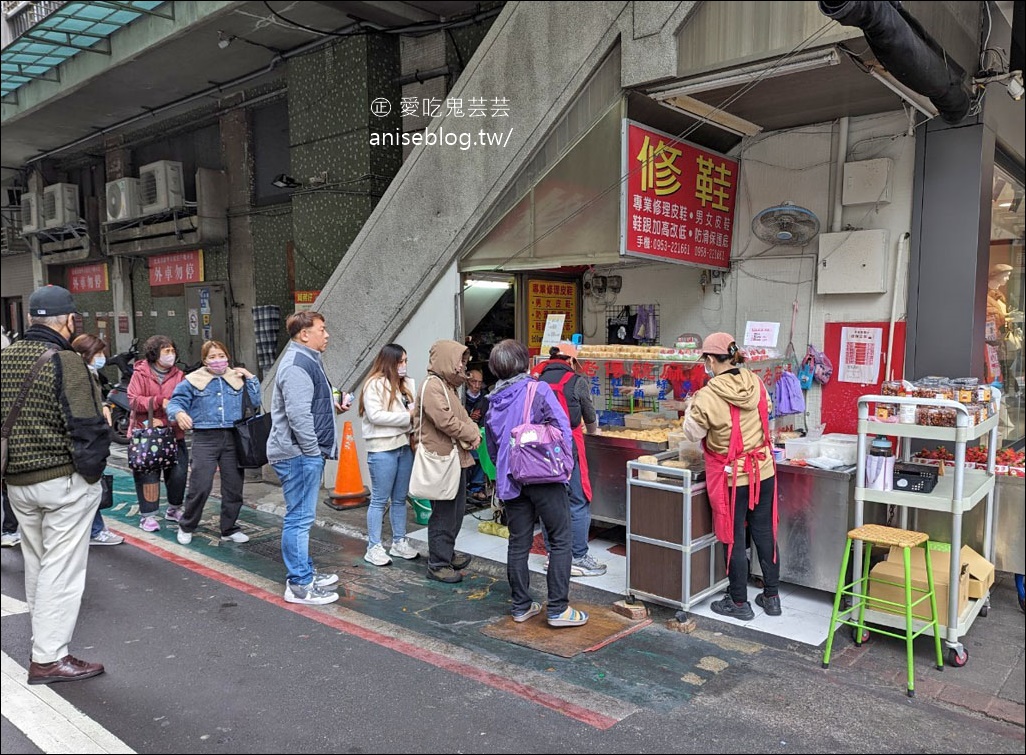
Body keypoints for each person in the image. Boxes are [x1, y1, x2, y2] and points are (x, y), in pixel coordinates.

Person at [0, 285, 110, 684]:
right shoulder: (66, 362)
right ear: (68, 321)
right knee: (61, 569)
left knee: (38, 563)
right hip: (62, 482)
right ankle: (48, 657)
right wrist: (91, 475)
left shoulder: (5, 357)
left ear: (31, 319)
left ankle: (43, 643)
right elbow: (87, 426)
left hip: (17, 483)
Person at [484, 339, 588, 627]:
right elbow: (562, 429)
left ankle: (521, 605)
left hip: (512, 480)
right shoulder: (537, 388)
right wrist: (565, 468)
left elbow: (492, 448)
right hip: (544, 476)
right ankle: (558, 609)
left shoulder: (493, 402)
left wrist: (505, 469)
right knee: (560, 539)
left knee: (518, 543)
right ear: (524, 363)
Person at [682, 332, 779, 621]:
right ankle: (771, 596)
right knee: (764, 532)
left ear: (711, 359)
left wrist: (690, 408)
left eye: (706, 360)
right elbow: (768, 410)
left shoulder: (708, 395)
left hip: (731, 477)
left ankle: (738, 602)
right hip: (763, 470)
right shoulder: (756, 382)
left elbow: (692, 433)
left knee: (734, 537)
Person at [267, 311, 350, 605]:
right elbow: (298, 414)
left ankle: (304, 572)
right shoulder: (297, 364)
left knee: (301, 518)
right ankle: (300, 585)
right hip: (298, 454)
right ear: (304, 334)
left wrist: (334, 403)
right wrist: (313, 451)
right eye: (322, 329)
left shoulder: (306, 359)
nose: (326, 335)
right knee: (299, 519)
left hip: (301, 453)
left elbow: (311, 402)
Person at [166, 340, 262, 546]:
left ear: (227, 356)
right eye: (212, 357)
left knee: (234, 487)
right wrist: (180, 413)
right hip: (205, 438)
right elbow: (175, 402)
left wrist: (251, 378)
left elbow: (255, 402)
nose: (217, 360)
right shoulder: (192, 380)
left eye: (221, 356)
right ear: (204, 360)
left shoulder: (236, 378)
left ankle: (229, 528)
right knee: (200, 485)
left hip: (233, 437)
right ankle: (186, 525)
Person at [536, 342, 604, 577]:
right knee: (577, 500)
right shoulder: (577, 382)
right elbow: (590, 415)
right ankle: (578, 556)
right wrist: (594, 431)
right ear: (572, 361)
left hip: (542, 446)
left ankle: (552, 554)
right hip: (569, 446)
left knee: (549, 499)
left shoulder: (537, 380)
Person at [417, 339, 482, 584]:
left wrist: (472, 431)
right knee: (444, 514)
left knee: (455, 512)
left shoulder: (447, 386)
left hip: (455, 458)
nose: (462, 367)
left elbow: (463, 417)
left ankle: (446, 553)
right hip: (443, 459)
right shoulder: (432, 386)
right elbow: (446, 422)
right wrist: (472, 434)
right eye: (459, 361)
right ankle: (438, 563)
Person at [358, 343, 419, 566]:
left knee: (400, 499)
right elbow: (376, 416)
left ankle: (399, 541)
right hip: (382, 448)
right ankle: (373, 546)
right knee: (379, 500)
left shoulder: (407, 384)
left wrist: (409, 418)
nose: (403, 366)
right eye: (399, 361)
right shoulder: (374, 384)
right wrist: (407, 418)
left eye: (405, 361)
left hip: (404, 446)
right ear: (389, 362)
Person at [127, 335, 189, 532]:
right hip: (147, 436)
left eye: (172, 351)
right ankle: (148, 516)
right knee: (148, 476)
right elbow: (134, 400)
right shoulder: (141, 373)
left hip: (173, 434)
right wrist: (158, 401)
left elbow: (183, 402)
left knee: (178, 475)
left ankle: (174, 508)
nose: (170, 355)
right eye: (166, 351)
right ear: (155, 354)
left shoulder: (180, 376)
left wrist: (164, 419)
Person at [71, 333, 125, 546]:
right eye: (98, 353)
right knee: (89, 489)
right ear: (85, 355)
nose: (102, 357)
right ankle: (95, 531)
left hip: (88, 443)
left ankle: (95, 529)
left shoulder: (89, 374)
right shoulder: (81, 376)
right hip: (86, 443)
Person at [463, 368, 490, 503]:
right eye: (474, 382)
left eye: (479, 382)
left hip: (480, 431)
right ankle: (467, 487)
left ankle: (477, 487)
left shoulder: (485, 398)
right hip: (465, 431)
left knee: (481, 457)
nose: (476, 386)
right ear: (467, 381)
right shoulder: (461, 396)